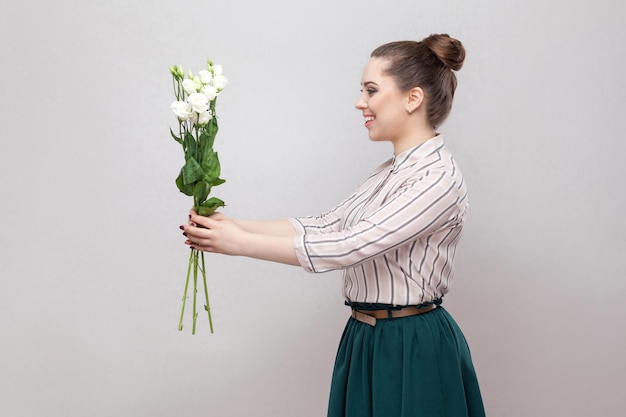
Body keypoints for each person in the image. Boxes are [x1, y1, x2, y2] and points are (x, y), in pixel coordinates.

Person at [180, 33, 486, 417]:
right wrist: (235, 226)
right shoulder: (390, 172)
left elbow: (350, 245)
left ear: (413, 98)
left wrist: (238, 243)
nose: (360, 102)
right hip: (365, 337)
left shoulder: (437, 179)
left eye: (371, 91)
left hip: (412, 344)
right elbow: (329, 224)